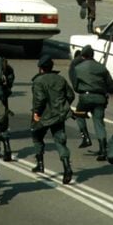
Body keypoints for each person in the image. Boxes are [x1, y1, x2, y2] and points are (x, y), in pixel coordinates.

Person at [30, 55, 75, 184]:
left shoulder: (39, 81)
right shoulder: (60, 79)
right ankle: (67, 168)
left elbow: (40, 99)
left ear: (41, 69)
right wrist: (63, 106)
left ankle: (40, 163)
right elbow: (70, 95)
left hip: (44, 116)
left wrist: (37, 113)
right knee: (60, 141)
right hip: (59, 115)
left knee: (37, 136)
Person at [70, 45, 110, 160]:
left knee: (78, 114)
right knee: (99, 122)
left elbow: (76, 86)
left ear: (83, 56)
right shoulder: (102, 68)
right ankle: (103, 149)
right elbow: (109, 82)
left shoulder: (79, 68)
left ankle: (85, 137)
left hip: (86, 97)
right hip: (100, 97)